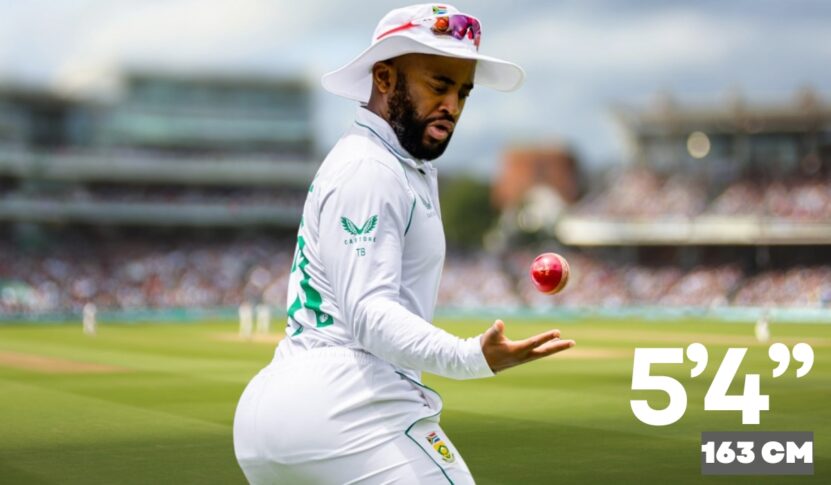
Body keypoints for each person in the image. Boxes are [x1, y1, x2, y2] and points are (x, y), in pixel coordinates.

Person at [233, 4, 575, 483]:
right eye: (439, 85)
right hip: (350, 405)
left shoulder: (392, 164)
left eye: (463, 92)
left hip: (287, 407)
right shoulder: (370, 168)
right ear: (385, 78)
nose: (452, 105)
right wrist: (472, 356)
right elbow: (371, 313)